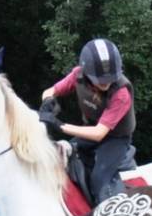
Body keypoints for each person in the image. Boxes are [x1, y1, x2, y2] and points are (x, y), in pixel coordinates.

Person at [39, 38, 135, 204]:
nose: (106, 82)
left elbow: (99, 133)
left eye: (110, 77)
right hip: (89, 131)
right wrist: (48, 101)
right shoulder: (78, 75)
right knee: (62, 154)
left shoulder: (121, 92)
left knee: (99, 179)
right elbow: (50, 90)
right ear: (88, 72)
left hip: (116, 139)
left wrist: (60, 125)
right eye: (101, 78)